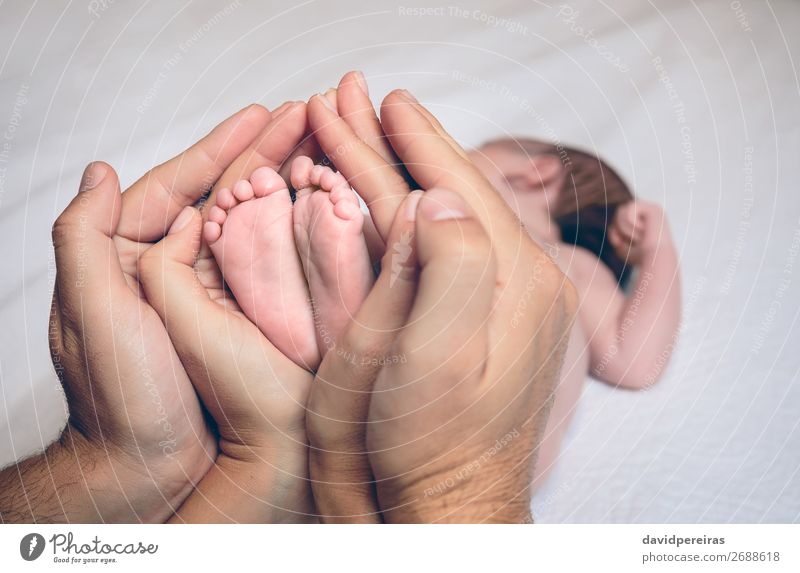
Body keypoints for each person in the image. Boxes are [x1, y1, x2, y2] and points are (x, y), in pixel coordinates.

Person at [0, 71, 576, 523]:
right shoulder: (560, 282)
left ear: (539, 176)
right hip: (468, 449)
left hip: (497, 439)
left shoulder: (569, 268)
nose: (423, 189)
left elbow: (637, 361)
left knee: (404, 247)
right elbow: (640, 359)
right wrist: (455, 495)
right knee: (401, 257)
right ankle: (334, 319)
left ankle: (341, 311)